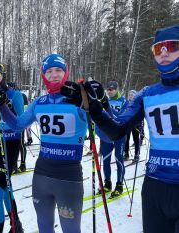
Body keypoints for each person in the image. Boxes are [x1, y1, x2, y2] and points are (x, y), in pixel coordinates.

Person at [61, 24, 179, 233]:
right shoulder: (147, 94)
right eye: (158, 48)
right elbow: (116, 129)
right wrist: (93, 107)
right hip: (155, 187)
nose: (164, 53)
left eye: (171, 46)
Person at [0, 54, 87, 233]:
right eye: (49, 71)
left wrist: (96, 103)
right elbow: (18, 125)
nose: (54, 75)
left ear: (65, 72)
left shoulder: (78, 100)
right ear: (43, 74)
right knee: (44, 228)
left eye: (58, 70)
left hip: (69, 177)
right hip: (42, 177)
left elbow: (109, 132)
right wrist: (2, 105)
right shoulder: (39, 102)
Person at [0, 63, 24, 233]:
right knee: (6, 187)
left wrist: (5, 104)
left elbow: (20, 124)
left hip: (10, 145)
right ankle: (17, 226)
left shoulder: (15, 95)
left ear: (3, 76)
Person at [95, 80, 128, 197]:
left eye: (112, 89)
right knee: (106, 160)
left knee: (119, 159)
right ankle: (107, 183)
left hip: (119, 135)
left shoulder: (124, 101)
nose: (110, 91)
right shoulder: (105, 101)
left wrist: (107, 107)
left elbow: (122, 117)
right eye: (108, 89)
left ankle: (119, 185)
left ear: (117, 89)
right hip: (106, 135)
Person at [8, 82, 27, 173]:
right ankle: (14, 165)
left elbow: (24, 108)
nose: (10, 88)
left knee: (20, 144)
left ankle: (23, 164)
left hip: (20, 122)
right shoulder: (7, 95)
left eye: (11, 87)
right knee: (13, 145)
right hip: (11, 123)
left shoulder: (20, 95)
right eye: (9, 87)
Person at [124, 90, 141, 162]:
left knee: (136, 139)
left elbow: (140, 115)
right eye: (129, 95)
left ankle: (136, 155)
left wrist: (137, 122)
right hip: (128, 124)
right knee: (126, 139)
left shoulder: (138, 103)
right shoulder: (126, 104)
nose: (130, 96)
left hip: (135, 124)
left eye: (132, 95)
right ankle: (126, 154)